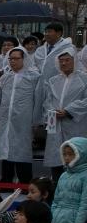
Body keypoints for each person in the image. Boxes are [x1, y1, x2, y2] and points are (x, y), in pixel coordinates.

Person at [0, 47, 45, 184]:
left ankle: (25, 182)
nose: (13, 61)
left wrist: (36, 121)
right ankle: (6, 180)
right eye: (10, 59)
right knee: (5, 149)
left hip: (24, 120)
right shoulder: (6, 77)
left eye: (16, 58)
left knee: (22, 150)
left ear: (24, 59)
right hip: (5, 119)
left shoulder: (34, 77)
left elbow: (38, 99)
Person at [44, 51, 87, 181]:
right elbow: (47, 101)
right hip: (55, 123)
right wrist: (52, 111)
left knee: (75, 155)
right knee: (56, 157)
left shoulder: (84, 79)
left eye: (67, 60)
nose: (64, 63)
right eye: (61, 60)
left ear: (74, 61)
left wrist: (68, 111)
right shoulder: (53, 80)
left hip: (76, 123)